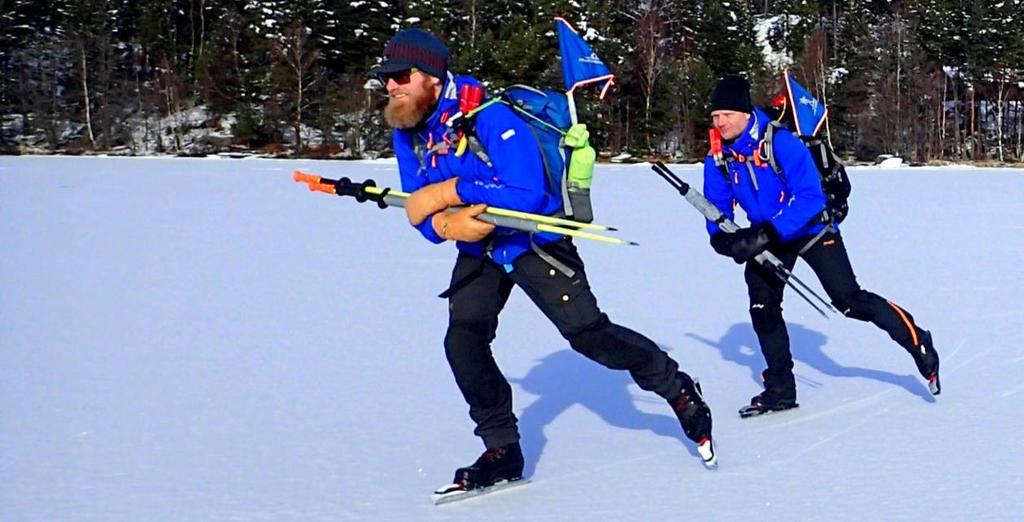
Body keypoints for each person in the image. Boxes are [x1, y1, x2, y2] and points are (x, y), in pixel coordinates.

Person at [370, 28, 716, 490]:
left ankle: (675, 387)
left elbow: (527, 193)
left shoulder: (490, 117)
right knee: (464, 341)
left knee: (589, 335)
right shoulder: (407, 128)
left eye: (399, 75)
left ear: (432, 75)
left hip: (535, 241)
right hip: (480, 248)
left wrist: (451, 192)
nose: (390, 86)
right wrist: (442, 226)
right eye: (385, 78)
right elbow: (417, 202)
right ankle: (502, 449)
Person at [701, 75, 941, 418]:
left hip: (810, 227)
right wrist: (720, 237)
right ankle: (781, 389)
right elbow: (717, 205)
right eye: (714, 117)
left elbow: (811, 198)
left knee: (848, 300)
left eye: (726, 114)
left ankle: (916, 339)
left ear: (744, 112)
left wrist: (767, 233)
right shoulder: (719, 156)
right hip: (768, 235)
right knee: (762, 307)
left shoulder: (781, 143)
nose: (719, 122)